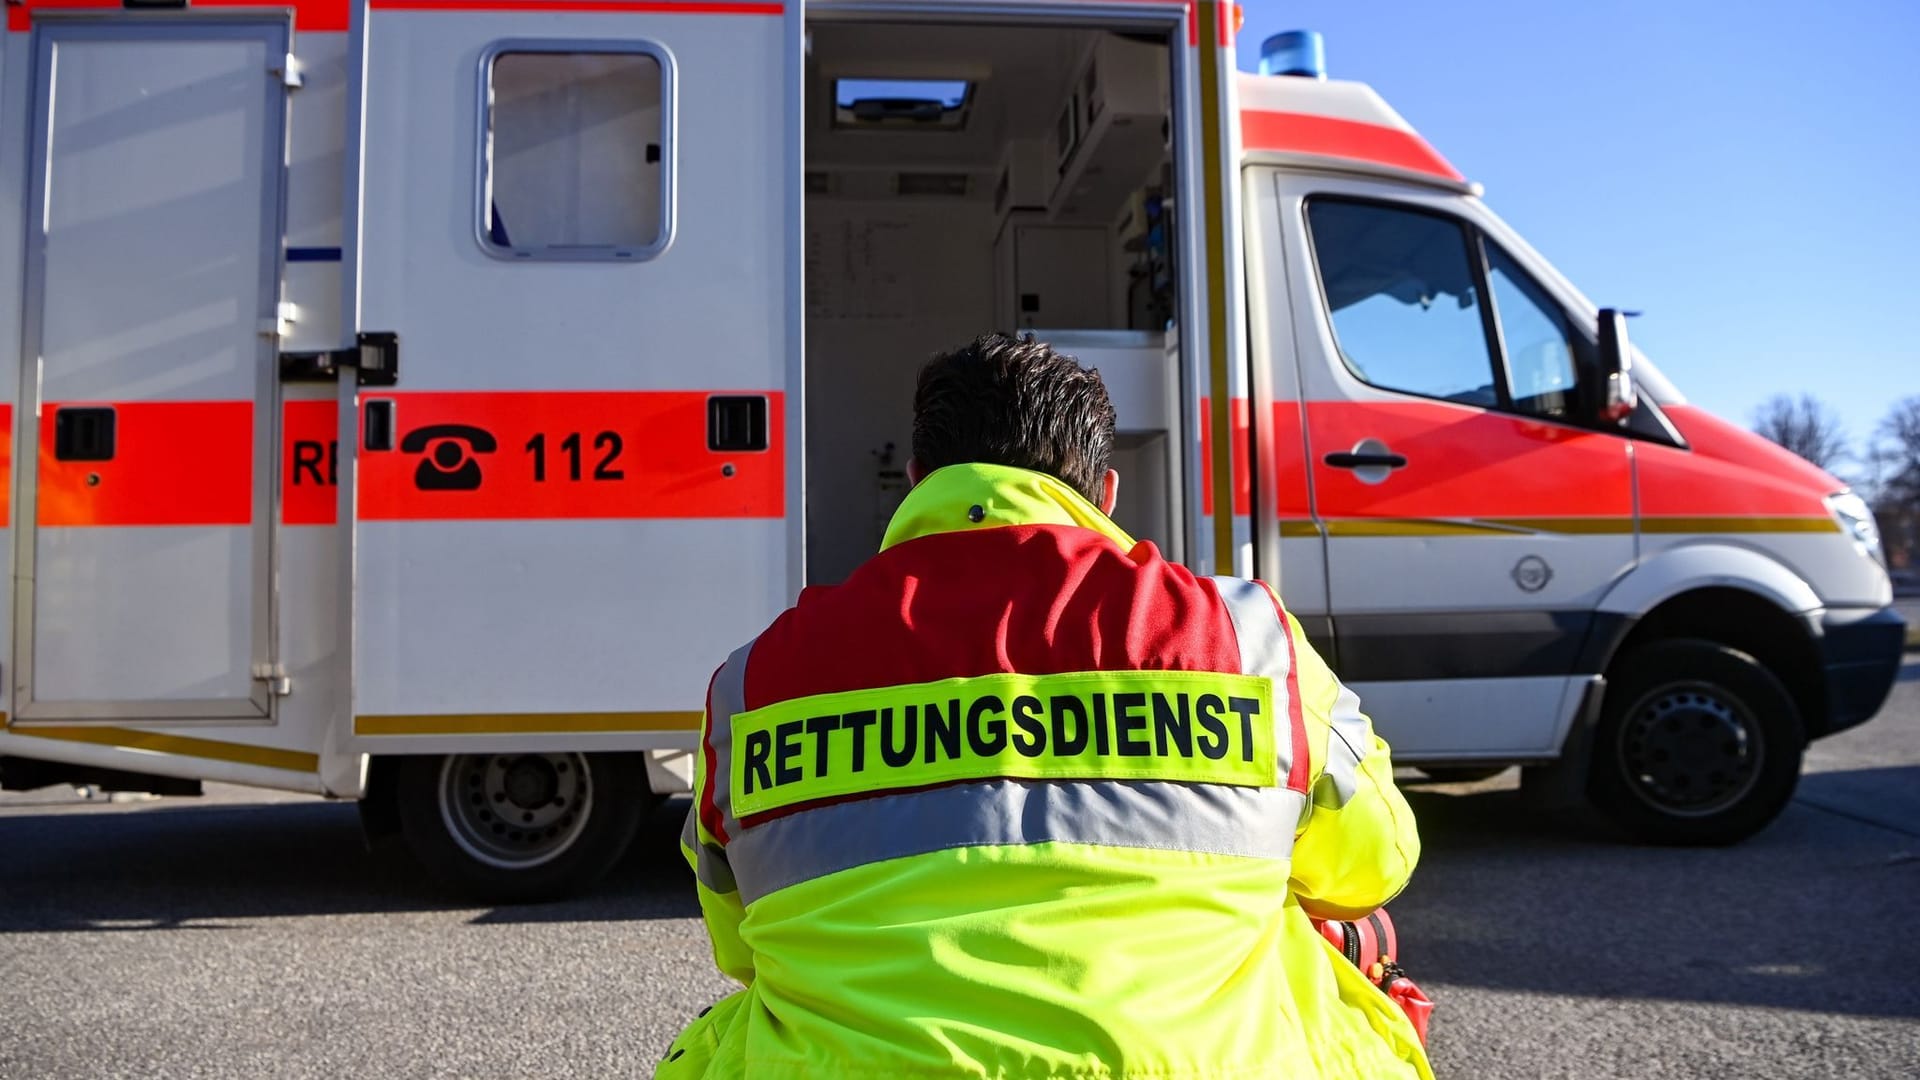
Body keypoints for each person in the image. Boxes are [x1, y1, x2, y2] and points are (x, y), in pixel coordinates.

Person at [662, 332, 1430, 1079]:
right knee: (1349, 940)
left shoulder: (753, 680)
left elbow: (739, 947)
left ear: (916, 475)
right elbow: (1373, 866)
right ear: (1106, 490)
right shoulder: (1246, 639)